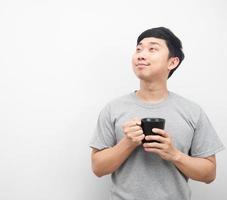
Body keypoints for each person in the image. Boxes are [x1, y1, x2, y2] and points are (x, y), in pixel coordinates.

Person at [89, 27, 225, 200]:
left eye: (152, 49)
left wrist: (174, 154)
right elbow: (98, 168)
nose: (141, 55)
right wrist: (128, 143)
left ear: (172, 62)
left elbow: (209, 174)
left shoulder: (192, 111)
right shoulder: (113, 109)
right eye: (139, 49)